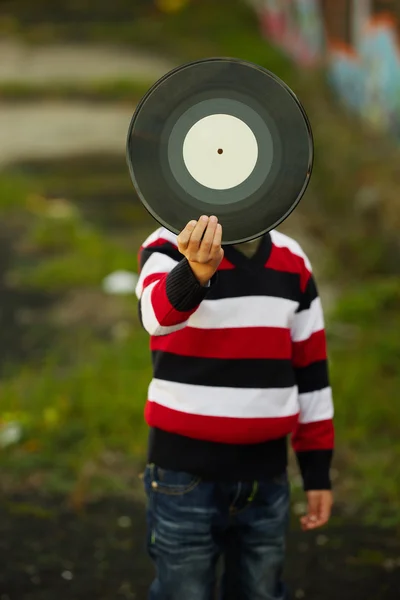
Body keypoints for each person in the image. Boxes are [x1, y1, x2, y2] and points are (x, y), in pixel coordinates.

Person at [135, 215, 334, 600]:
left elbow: (311, 372)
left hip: (267, 478)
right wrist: (194, 271)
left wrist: (317, 470)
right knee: (183, 593)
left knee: (259, 591)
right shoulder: (165, 245)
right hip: (182, 477)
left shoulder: (292, 260)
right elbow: (157, 317)